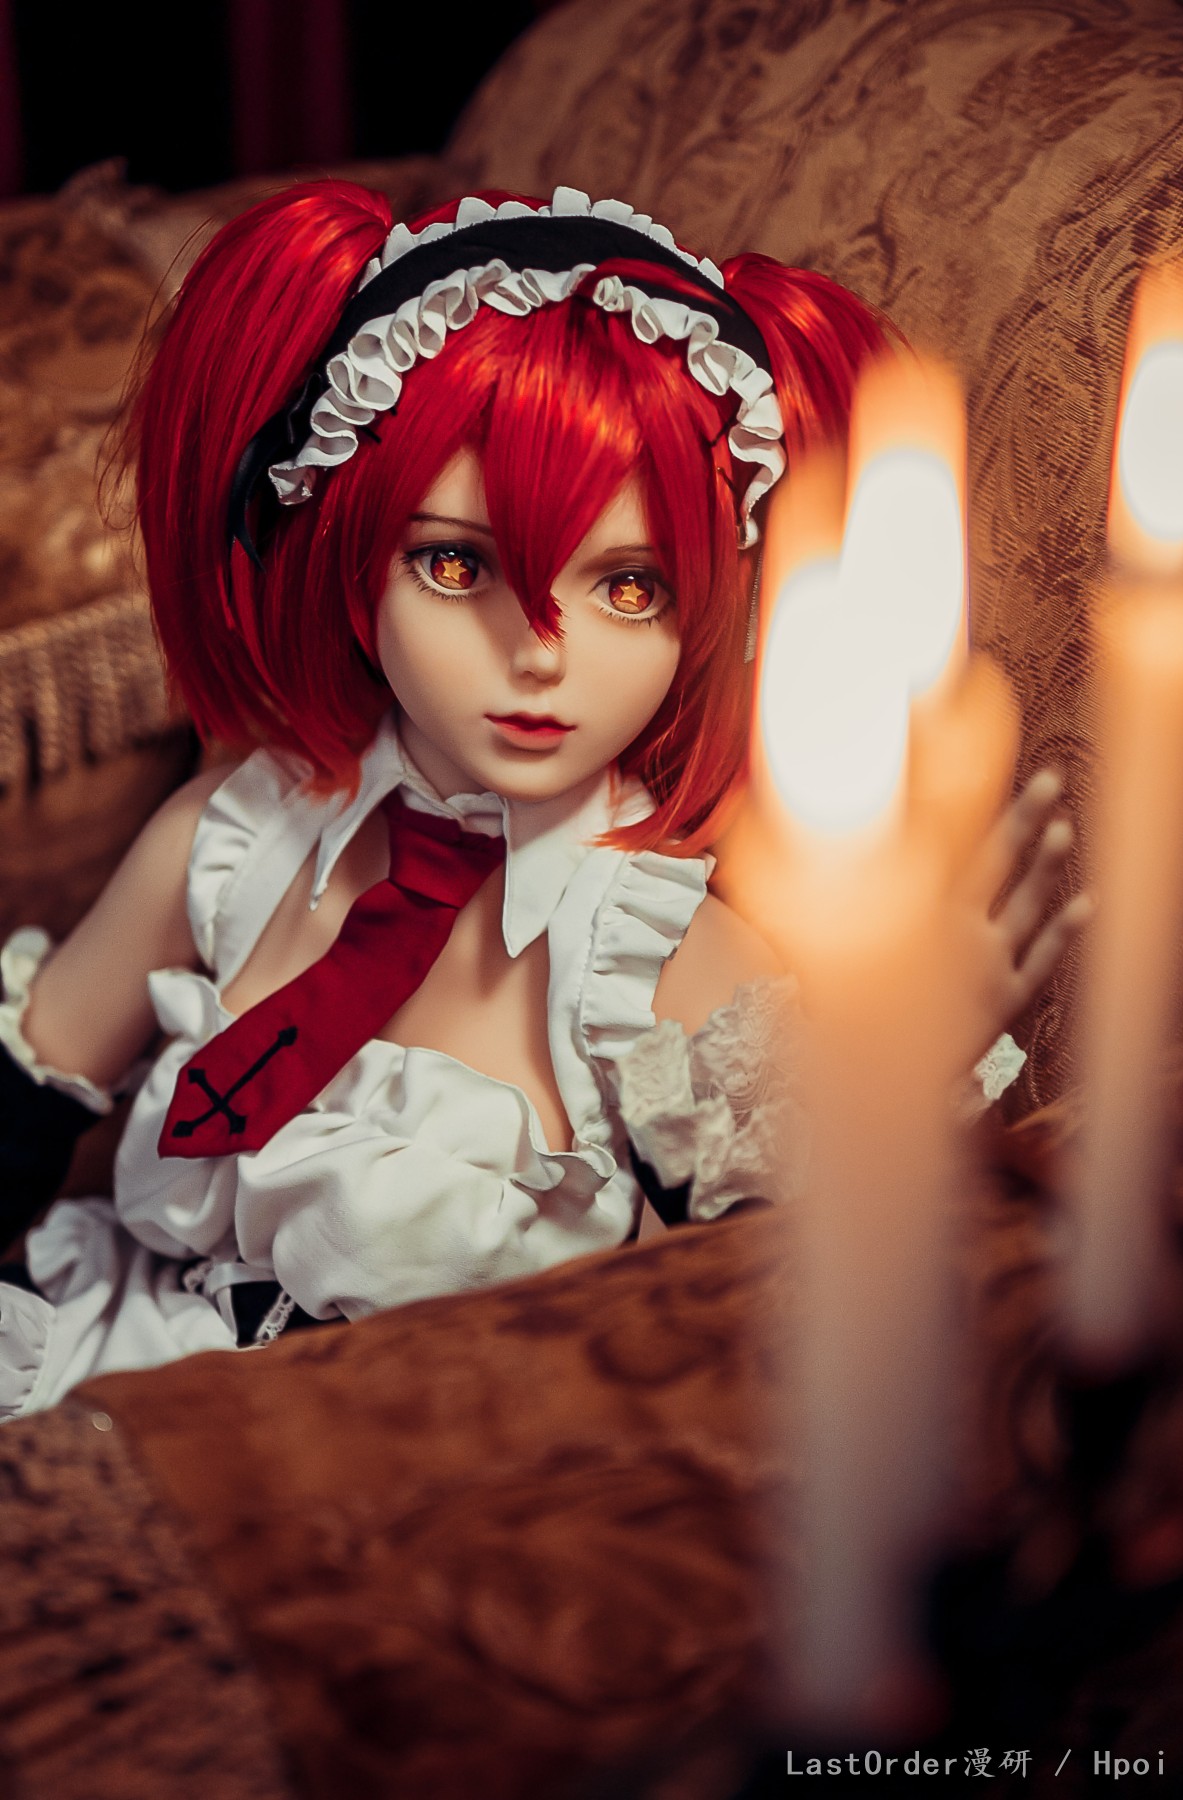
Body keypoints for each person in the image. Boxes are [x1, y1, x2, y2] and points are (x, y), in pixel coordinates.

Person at [0, 182, 1088, 1416]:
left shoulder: (661, 963)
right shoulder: (229, 843)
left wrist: (887, 1083)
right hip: (110, 1368)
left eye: (629, 589)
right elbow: (18, 1107)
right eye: (454, 564)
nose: (539, 655)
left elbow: (765, 1330)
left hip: (439, 1467)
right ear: (348, 559)